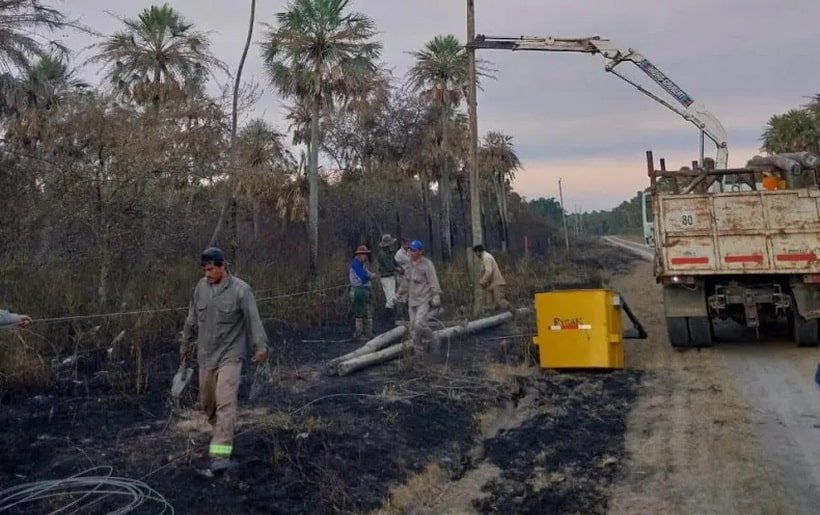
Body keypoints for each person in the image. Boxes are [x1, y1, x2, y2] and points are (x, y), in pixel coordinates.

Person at [180, 247, 268, 472]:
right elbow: (191, 318)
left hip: (231, 355)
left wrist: (260, 347)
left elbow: (253, 320)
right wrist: (184, 345)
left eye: (211, 269)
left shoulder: (241, 290)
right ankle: (220, 431)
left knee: (225, 402)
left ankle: (220, 454)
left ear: (222, 266)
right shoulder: (200, 288)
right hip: (206, 356)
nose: (207, 274)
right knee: (207, 402)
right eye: (205, 270)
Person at [402, 240, 442, 350]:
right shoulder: (408, 264)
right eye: (410, 250)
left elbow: (433, 280)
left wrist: (436, 294)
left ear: (420, 252)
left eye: (414, 251)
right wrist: (400, 293)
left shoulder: (427, 264)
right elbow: (406, 281)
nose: (411, 252)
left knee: (419, 324)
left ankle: (432, 339)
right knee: (413, 329)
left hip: (424, 299)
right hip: (412, 299)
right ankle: (419, 351)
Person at [473, 245, 514, 314]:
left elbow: (489, 271)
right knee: (489, 304)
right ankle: (492, 319)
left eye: (475, 253)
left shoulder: (486, 257)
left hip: (497, 283)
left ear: (478, 252)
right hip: (490, 284)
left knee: (500, 301)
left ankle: (515, 312)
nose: (476, 255)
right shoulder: (484, 258)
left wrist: (483, 281)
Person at [349, 245, 374, 341]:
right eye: (364, 254)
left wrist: (371, 275)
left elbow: (367, 273)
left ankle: (369, 332)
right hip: (358, 290)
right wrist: (370, 277)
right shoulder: (355, 264)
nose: (366, 256)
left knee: (368, 311)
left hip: (364, 290)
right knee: (359, 312)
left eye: (366, 254)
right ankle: (359, 334)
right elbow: (362, 277)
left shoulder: (362, 264)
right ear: (359, 255)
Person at [376, 234, 398, 316]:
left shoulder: (389, 253)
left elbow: (394, 262)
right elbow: (389, 266)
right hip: (386, 277)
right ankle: (387, 317)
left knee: (392, 297)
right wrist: (398, 269)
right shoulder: (383, 255)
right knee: (391, 298)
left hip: (390, 276)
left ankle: (390, 316)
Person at [393, 239, 411, 324]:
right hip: (402, 277)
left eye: (408, 244)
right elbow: (394, 264)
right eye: (406, 244)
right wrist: (398, 269)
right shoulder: (399, 254)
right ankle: (400, 316)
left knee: (408, 296)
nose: (408, 245)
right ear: (403, 244)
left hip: (409, 277)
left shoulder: (409, 252)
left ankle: (407, 315)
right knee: (401, 296)